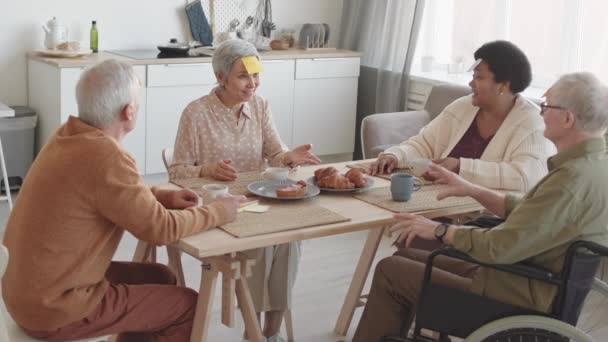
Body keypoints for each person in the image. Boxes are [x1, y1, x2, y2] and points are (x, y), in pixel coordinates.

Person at [1, 59, 245, 342]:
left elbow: (106, 194)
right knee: (189, 305)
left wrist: (162, 196)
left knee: (161, 277)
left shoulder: (67, 137)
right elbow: (160, 229)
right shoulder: (107, 157)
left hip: (29, 292)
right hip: (56, 309)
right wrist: (219, 211)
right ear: (129, 112)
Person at [353, 72, 608, 341]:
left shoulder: (568, 181)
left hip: (518, 292)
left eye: (547, 107)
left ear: (567, 118)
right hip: (536, 277)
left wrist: (439, 230)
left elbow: (498, 246)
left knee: (391, 272)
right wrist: (472, 189)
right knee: (404, 259)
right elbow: (536, 214)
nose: (541, 113)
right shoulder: (593, 167)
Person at [169, 39, 320, 342]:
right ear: (220, 77)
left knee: (292, 238)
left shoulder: (261, 106)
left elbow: (276, 152)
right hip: (222, 209)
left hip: (261, 200)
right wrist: (205, 170)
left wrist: (288, 157)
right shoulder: (195, 113)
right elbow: (176, 172)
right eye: (243, 76)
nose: (253, 84)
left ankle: (270, 333)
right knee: (263, 243)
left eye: (256, 75)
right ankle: (254, 334)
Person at [369, 40, 555, 192]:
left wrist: (460, 167)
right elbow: (423, 144)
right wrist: (395, 155)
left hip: (488, 218)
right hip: (441, 202)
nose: (471, 83)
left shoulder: (533, 123)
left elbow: (525, 177)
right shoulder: (463, 107)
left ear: (503, 85)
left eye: (479, 78)